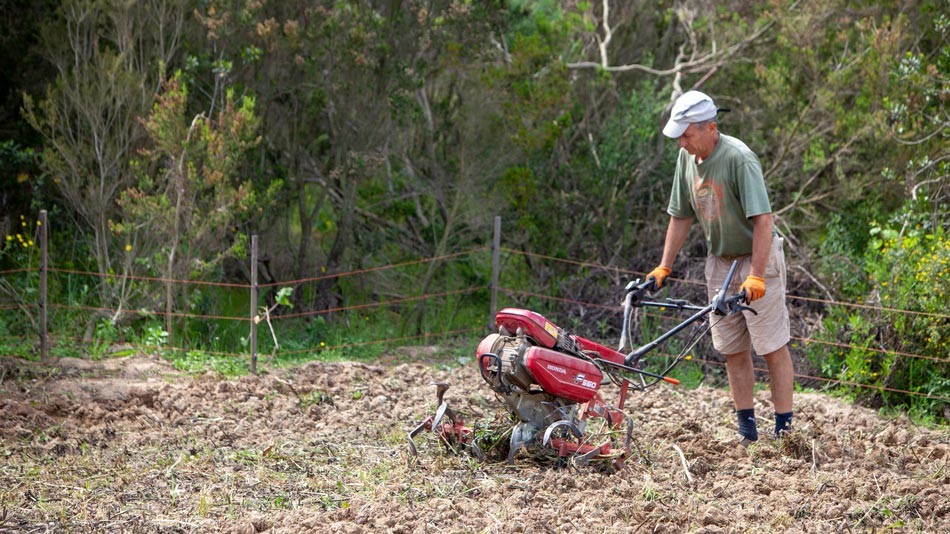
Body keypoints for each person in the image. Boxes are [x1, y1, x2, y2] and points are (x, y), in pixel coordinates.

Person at [646, 90, 794, 446]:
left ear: (710, 127)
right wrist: (664, 266)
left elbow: (763, 220)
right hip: (720, 263)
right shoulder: (687, 159)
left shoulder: (739, 158)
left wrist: (757, 274)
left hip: (756, 259)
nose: (681, 142)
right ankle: (747, 431)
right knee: (732, 349)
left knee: (771, 347)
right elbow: (680, 216)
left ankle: (785, 431)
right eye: (679, 135)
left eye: (687, 135)